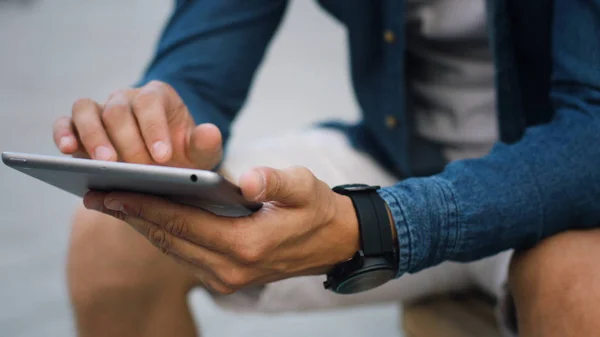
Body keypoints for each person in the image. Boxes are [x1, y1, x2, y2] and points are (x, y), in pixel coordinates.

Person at [53, 1, 600, 336]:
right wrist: (162, 129)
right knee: (112, 237)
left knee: (580, 290)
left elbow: (591, 130)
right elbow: (203, 66)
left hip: (562, 182)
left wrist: (382, 224)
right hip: (405, 161)